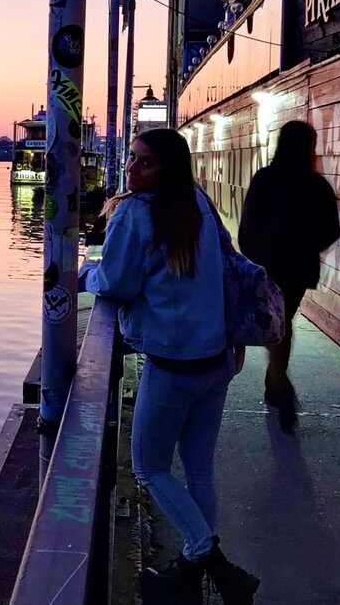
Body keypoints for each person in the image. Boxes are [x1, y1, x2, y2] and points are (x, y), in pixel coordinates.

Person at [89, 129, 259, 605]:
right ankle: (190, 577)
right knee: (199, 471)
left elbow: (117, 283)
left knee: (148, 467)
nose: (132, 169)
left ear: (168, 167)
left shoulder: (136, 213)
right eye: (132, 159)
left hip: (173, 364)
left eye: (145, 163)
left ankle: (217, 566)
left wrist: (86, 272)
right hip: (215, 360)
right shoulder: (199, 204)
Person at [238, 120, 340, 432]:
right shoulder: (317, 186)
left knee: (275, 321)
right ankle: (276, 383)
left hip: (267, 266)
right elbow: (332, 230)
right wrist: (307, 248)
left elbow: (247, 229)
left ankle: (279, 383)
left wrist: (255, 257)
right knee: (285, 321)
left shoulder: (264, 179)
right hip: (299, 269)